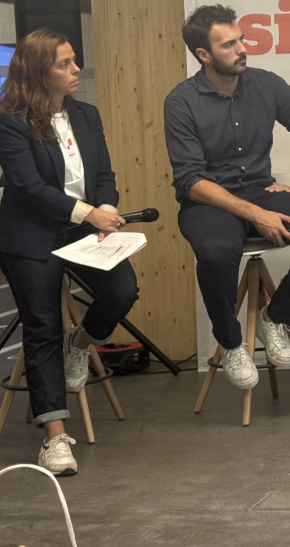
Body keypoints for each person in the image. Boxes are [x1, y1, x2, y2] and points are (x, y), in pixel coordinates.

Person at [164, 5, 290, 390]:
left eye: (241, 39)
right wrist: (256, 214)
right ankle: (230, 342)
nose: (243, 48)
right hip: (208, 201)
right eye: (230, 44)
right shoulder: (181, 102)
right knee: (214, 251)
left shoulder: (267, 84)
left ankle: (276, 318)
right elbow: (191, 180)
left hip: (262, 189)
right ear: (204, 55)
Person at [0, 30, 138, 476]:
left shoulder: (87, 114)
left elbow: (104, 174)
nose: (76, 69)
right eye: (65, 64)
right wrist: (89, 214)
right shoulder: (9, 119)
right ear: (39, 72)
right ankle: (55, 441)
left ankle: (78, 345)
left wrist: (108, 212)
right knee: (40, 329)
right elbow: (27, 186)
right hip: (30, 236)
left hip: (83, 232)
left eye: (74, 60)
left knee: (123, 291)